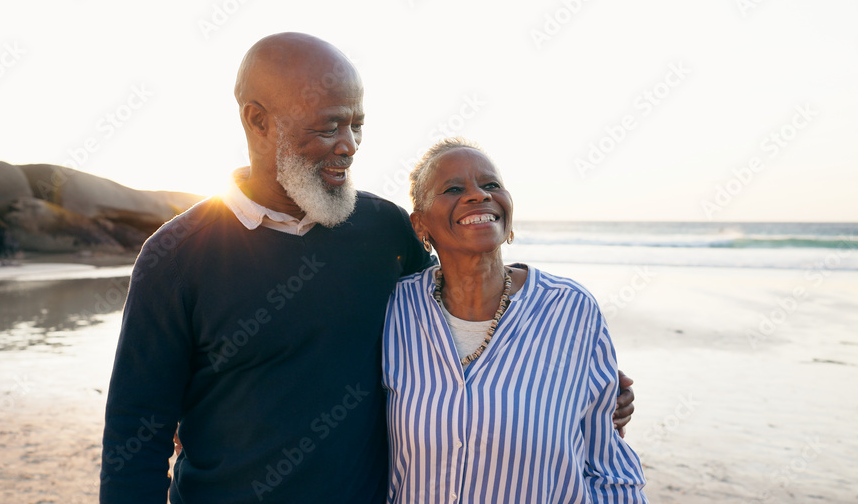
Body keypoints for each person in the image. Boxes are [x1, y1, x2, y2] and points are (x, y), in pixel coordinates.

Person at [100, 33, 635, 503]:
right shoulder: (176, 257)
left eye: (357, 125)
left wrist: (575, 385)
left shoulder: (386, 230)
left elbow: (457, 310)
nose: (349, 146)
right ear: (257, 120)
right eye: (329, 126)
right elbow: (136, 437)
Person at [383, 138, 647, 503]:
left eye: (491, 185)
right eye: (453, 188)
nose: (478, 195)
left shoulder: (570, 310)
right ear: (420, 225)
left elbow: (607, 465)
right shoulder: (394, 310)